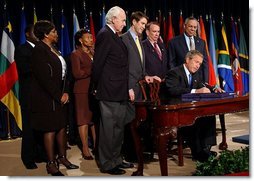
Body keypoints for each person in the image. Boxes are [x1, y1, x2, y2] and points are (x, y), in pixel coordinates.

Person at [30, 20, 79, 176]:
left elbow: (64, 74)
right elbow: (44, 78)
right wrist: (59, 95)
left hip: (60, 95)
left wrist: (65, 92)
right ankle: (51, 163)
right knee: (50, 129)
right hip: (47, 97)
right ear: (45, 34)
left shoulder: (54, 48)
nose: (57, 34)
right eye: (54, 32)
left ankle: (62, 157)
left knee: (61, 127)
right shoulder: (39, 50)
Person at [165, 50, 222, 162]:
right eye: (196, 62)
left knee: (209, 115)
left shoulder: (196, 74)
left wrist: (213, 89)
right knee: (194, 119)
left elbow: (202, 85)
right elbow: (173, 90)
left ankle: (206, 148)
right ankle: (197, 153)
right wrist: (195, 91)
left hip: (191, 108)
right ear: (187, 60)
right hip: (176, 110)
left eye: (200, 64)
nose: (198, 66)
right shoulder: (174, 73)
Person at [91, 6, 128, 175]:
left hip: (119, 90)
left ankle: (116, 159)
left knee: (118, 128)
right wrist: (95, 87)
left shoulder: (115, 36)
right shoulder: (105, 34)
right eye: (123, 19)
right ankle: (107, 163)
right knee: (108, 130)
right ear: (113, 19)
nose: (125, 23)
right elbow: (98, 64)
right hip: (108, 90)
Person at [121, 12, 161, 162]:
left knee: (137, 122)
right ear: (134, 22)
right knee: (129, 122)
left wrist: (146, 76)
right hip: (130, 87)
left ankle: (137, 152)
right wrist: (128, 87)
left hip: (139, 88)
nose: (144, 27)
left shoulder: (139, 38)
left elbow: (139, 65)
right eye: (142, 24)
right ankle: (130, 155)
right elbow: (122, 67)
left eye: (145, 24)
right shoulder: (124, 39)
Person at [14, 24, 46, 169]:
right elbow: (26, 69)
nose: (37, 34)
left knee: (40, 126)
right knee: (29, 128)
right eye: (34, 32)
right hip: (28, 95)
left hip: (41, 95)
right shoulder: (22, 49)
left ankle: (40, 154)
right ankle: (28, 158)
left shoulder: (42, 48)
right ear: (27, 34)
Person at [70, 29, 96, 160]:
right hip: (81, 90)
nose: (91, 40)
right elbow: (77, 74)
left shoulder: (93, 52)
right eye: (88, 37)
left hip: (94, 90)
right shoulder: (76, 54)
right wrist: (91, 70)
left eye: (92, 38)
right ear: (80, 40)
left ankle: (97, 146)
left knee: (93, 120)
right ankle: (85, 148)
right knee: (83, 120)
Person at [167, 16, 208, 83]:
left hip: (198, 80)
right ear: (184, 26)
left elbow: (205, 63)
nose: (193, 29)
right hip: (181, 80)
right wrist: (175, 78)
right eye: (190, 26)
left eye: (195, 27)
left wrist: (205, 81)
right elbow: (171, 62)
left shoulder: (201, 42)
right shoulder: (174, 42)